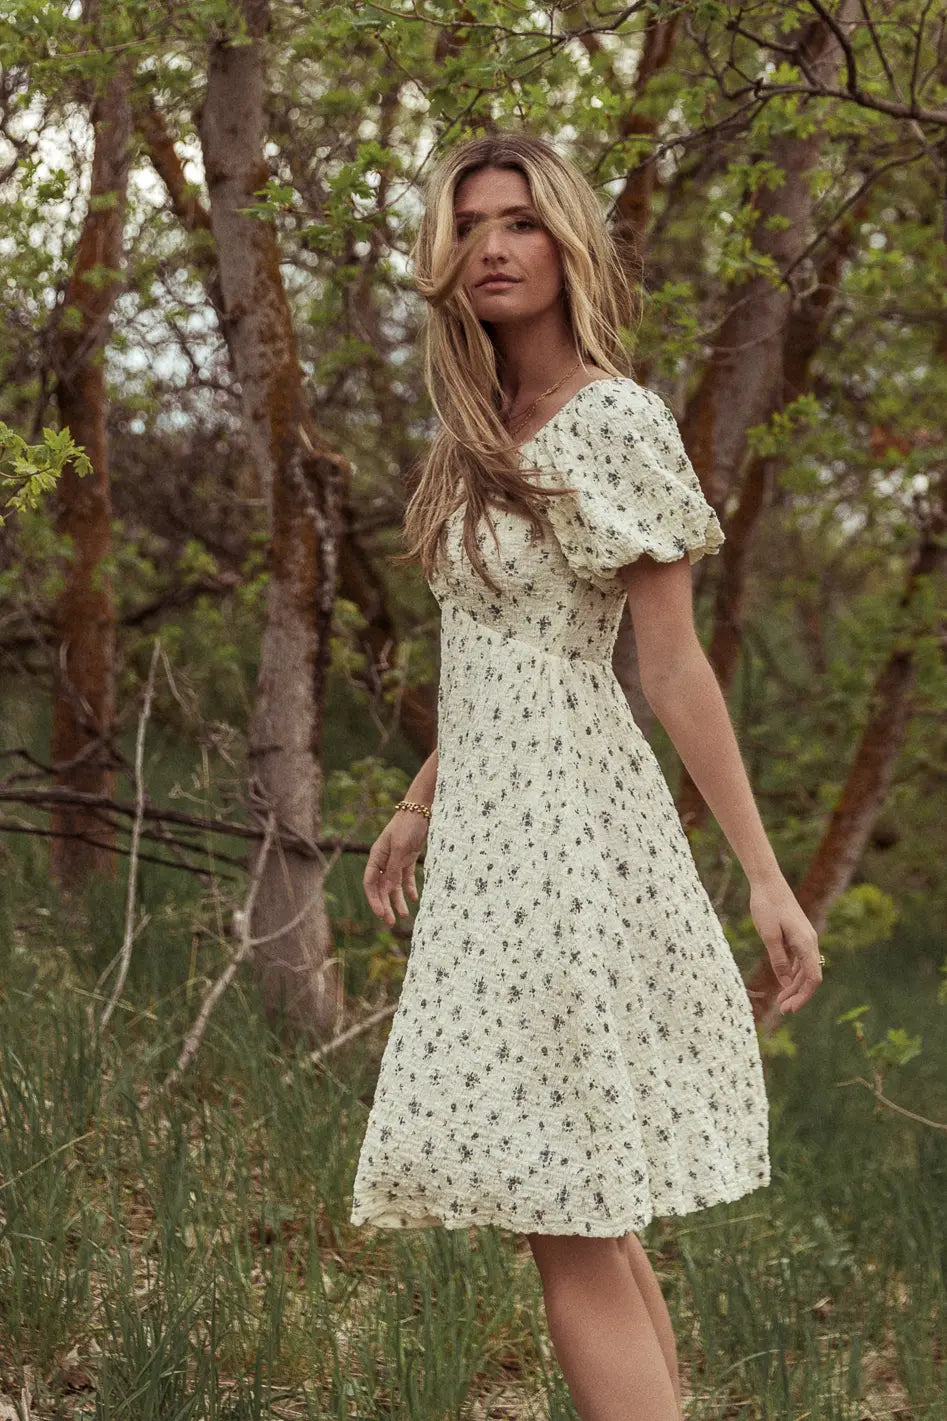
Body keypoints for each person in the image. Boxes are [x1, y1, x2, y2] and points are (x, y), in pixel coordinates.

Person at [350, 132, 822, 1421]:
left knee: (564, 1203)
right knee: (584, 1206)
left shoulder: (613, 419)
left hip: (569, 844)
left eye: (521, 223)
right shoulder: (470, 435)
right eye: (471, 226)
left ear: (566, 247)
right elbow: (507, 654)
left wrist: (765, 880)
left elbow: (664, 667)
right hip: (490, 838)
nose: (494, 247)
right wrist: (417, 798)